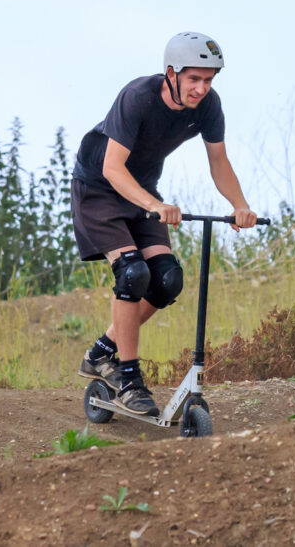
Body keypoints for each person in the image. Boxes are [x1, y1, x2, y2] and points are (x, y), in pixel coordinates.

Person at [72, 32, 258, 416]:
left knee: (166, 278)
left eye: (208, 81)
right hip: (99, 189)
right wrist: (155, 204)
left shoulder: (208, 106)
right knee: (131, 274)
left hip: (142, 191)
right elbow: (111, 168)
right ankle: (128, 379)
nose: (201, 88)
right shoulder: (137, 97)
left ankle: (102, 352)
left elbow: (219, 162)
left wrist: (240, 205)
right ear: (171, 73)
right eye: (194, 79)